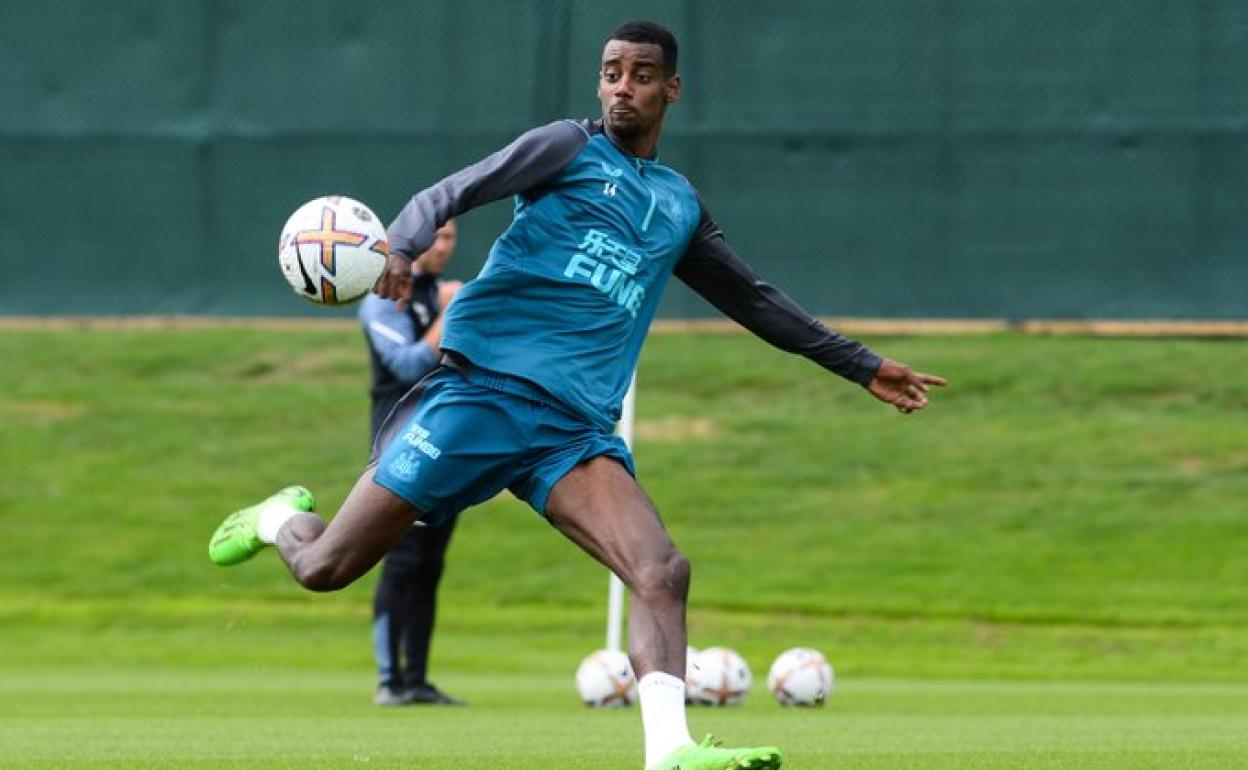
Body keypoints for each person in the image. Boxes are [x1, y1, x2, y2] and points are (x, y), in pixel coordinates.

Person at [209, 20, 946, 770]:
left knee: (661, 570)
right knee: (326, 568)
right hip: (480, 397)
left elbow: (754, 300)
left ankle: (670, 751)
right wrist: (400, 243)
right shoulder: (566, 147)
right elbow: (455, 190)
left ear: (671, 89)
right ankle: (276, 520)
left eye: (641, 73)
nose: (623, 85)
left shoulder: (679, 204)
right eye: (611, 72)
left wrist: (860, 366)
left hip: (572, 434)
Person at [358, 220, 465, 707]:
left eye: (449, 238)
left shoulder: (434, 295)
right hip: (400, 451)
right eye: (435, 236)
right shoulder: (383, 297)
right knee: (401, 562)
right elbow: (406, 364)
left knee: (430, 564)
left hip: (443, 448)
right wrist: (451, 315)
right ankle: (389, 681)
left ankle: (416, 679)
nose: (442, 245)